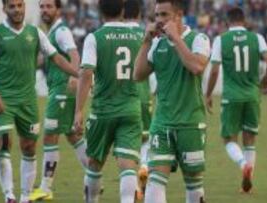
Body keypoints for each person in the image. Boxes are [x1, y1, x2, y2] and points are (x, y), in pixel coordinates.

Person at [0, 0, 77, 203]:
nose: (16, 10)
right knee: (4, 143)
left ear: (24, 7)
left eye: (19, 5)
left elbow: (57, 58)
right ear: (4, 8)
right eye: (11, 6)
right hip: (4, 100)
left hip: (28, 101)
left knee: (29, 147)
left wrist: (79, 74)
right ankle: (9, 195)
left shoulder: (35, 32)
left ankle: (25, 196)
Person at [134, 0, 211, 202]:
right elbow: (138, 75)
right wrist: (146, 41)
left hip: (191, 124)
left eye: (164, 15)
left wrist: (176, 38)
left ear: (179, 15)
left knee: (193, 183)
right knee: (155, 181)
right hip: (162, 123)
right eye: (157, 15)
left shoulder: (198, 39)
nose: (159, 20)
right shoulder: (157, 43)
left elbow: (196, 67)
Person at [74, 0, 143, 202]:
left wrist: (78, 110)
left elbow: (86, 72)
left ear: (99, 11)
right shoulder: (137, 36)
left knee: (94, 165)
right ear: (123, 10)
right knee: (127, 166)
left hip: (103, 110)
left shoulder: (95, 38)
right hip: (131, 109)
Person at [205, 7, 267, 193]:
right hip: (252, 95)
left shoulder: (221, 40)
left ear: (228, 22)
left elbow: (214, 70)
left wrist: (208, 94)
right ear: (244, 21)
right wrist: (266, 79)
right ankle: (247, 185)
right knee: (250, 141)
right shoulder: (257, 38)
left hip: (231, 97)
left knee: (228, 140)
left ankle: (243, 164)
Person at [29, 0, 88, 201]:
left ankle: (46, 187)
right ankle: (94, 175)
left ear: (58, 9)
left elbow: (74, 53)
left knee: (50, 136)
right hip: (59, 88)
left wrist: (74, 76)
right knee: (73, 136)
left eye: (49, 6)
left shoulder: (61, 31)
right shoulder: (52, 31)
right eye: (42, 7)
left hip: (63, 89)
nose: (45, 10)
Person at [123, 0, 151, 200]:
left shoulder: (116, 35)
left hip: (122, 98)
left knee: (127, 144)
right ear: (140, 14)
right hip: (143, 95)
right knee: (146, 139)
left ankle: (134, 187)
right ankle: (144, 166)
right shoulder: (146, 35)